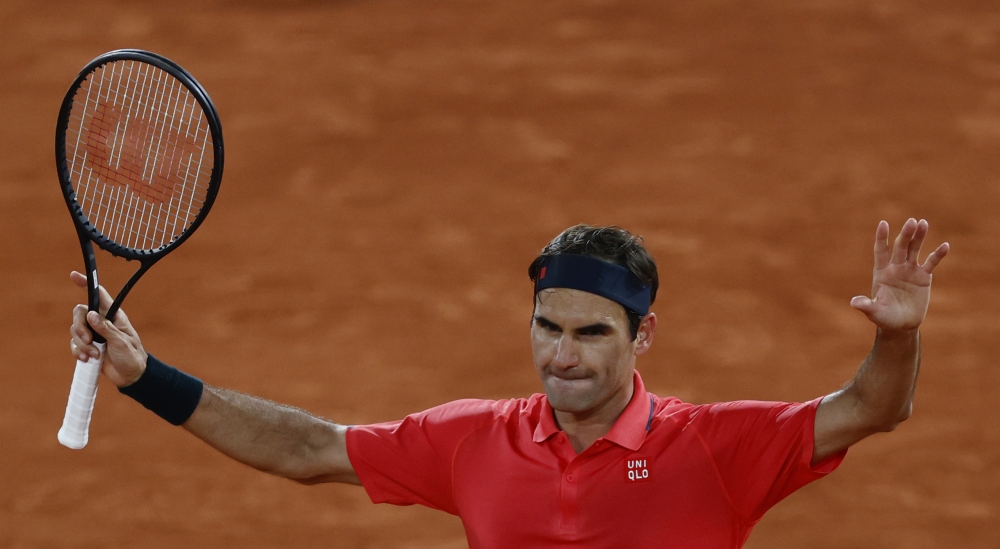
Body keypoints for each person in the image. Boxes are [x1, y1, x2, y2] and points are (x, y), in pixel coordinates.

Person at [68, 219, 949, 548]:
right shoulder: (474, 440)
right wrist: (146, 376)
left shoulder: (713, 448)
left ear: (643, 336)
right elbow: (310, 449)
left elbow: (872, 407)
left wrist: (899, 335)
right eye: (547, 326)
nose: (562, 356)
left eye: (591, 334)